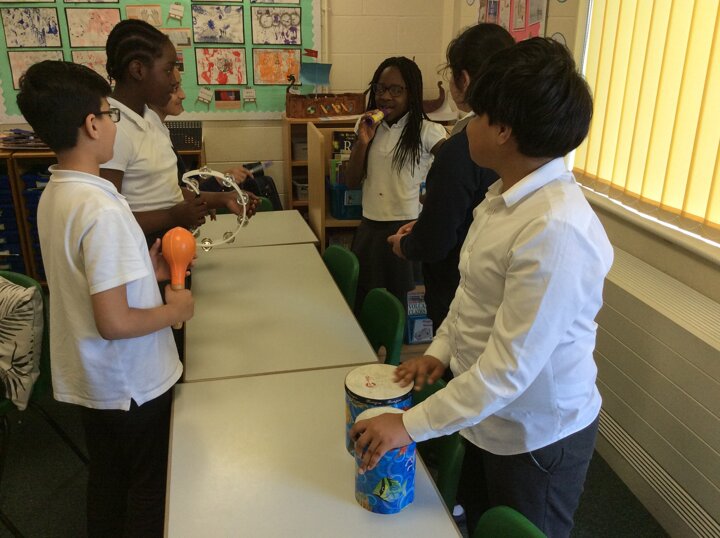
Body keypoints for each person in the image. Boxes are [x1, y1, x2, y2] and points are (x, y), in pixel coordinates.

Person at [351, 38, 614, 538]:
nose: (466, 124)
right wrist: (440, 352)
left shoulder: (555, 229)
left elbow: (507, 372)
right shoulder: (500, 198)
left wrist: (407, 425)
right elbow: (471, 296)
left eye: (477, 115)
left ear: (503, 130)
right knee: (475, 519)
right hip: (484, 417)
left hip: (533, 435)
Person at [17, 60, 193, 537]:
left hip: (95, 380)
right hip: (131, 382)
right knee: (149, 487)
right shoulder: (101, 208)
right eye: (109, 113)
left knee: (109, 478)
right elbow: (113, 321)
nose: (114, 122)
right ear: (93, 125)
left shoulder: (58, 193)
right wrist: (173, 310)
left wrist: (146, 271)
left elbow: (87, 277)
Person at [387, 24, 514, 332]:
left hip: (462, 294)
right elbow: (468, 213)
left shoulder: (464, 148)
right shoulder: (518, 140)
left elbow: (437, 241)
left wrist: (407, 245)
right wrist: (429, 220)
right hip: (493, 294)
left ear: (464, 79)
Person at [100, 19, 256, 246]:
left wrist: (224, 198)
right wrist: (171, 217)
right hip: (143, 253)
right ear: (138, 70)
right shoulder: (112, 128)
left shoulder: (150, 119)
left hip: (170, 249)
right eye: (167, 70)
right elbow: (108, 221)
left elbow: (169, 193)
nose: (174, 80)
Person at [345, 56, 446, 311]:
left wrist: (430, 201)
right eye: (380, 88)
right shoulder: (366, 125)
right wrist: (363, 142)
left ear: (411, 93)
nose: (385, 97)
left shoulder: (427, 131)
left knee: (400, 304)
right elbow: (351, 181)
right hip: (370, 226)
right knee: (365, 302)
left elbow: (452, 170)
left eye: (396, 90)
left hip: (405, 228)